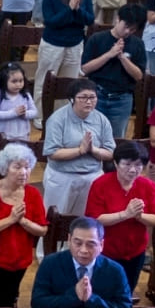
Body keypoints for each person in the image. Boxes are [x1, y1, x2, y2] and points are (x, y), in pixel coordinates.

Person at [0, 143, 47, 307]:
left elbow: (42, 230)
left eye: (27, 167)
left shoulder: (33, 195)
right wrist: (10, 219)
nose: (23, 172)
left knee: (5, 303)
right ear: (5, 168)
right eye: (18, 167)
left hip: (19, 261)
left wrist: (23, 221)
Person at [85, 141, 155, 293]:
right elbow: (94, 219)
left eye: (139, 165)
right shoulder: (100, 184)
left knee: (126, 291)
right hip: (106, 251)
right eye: (127, 164)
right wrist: (125, 214)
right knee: (102, 291)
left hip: (135, 251)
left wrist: (139, 216)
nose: (133, 170)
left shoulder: (147, 186)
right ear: (115, 163)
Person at [42, 81, 116, 218]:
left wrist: (93, 150)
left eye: (92, 97)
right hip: (63, 177)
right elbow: (52, 152)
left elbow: (110, 152)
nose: (89, 102)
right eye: (83, 97)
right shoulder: (57, 119)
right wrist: (80, 150)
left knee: (88, 221)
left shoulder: (102, 120)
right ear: (72, 99)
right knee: (54, 221)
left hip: (92, 177)